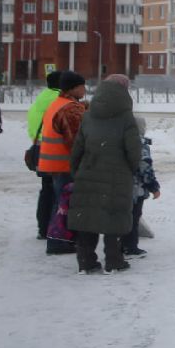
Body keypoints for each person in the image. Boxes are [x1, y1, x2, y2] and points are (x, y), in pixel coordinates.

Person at [68, 74, 142, 274]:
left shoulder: (88, 115)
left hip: (88, 171)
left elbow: (78, 147)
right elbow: (134, 150)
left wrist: (76, 170)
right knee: (114, 218)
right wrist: (133, 169)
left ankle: (86, 261)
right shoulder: (126, 118)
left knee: (87, 219)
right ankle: (114, 261)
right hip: (117, 177)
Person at [37, 70, 88, 255]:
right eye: (82, 86)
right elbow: (76, 141)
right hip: (64, 164)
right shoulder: (70, 109)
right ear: (73, 88)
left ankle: (57, 239)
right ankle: (58, 241)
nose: (85, 89)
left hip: (54, 163)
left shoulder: (58, 103)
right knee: (64, 205)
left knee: (59, 202)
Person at [29, 70, 62, 239]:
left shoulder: (42, 97)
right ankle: (53, 228)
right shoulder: (57, 100)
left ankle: (43, 228)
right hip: (54, 150)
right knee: (57, 191)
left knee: (46, 190)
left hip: (40, 148)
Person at [122, 116, 160, 258]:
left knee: (125, 217)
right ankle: (130, 247)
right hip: (136, 188)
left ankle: (123, 244)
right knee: (134, 216)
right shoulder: (139, 143)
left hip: (121, 185)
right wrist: (153, 186)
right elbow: (144, 167)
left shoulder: (121, 140)